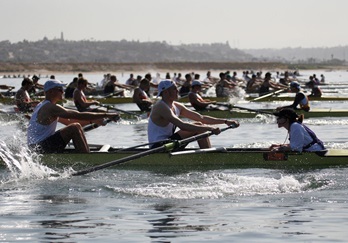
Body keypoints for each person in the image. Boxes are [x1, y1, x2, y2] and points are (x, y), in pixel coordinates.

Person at [27, 79, 119, 153]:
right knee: (74, 127)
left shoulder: (45, 105)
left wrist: (93, 121)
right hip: (38, 149)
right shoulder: (49, 107)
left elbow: (69, 122)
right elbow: (77, 115)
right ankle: (87, 158)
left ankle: (86, 153)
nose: (63, 91)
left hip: (37, 147)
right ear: (50, 91)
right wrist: (107, 115)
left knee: (76, 125)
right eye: (60, 89)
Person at [148, 80, 239, 149]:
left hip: (169, 143)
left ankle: (207, 153)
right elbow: (182, 126)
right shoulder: (160, 107)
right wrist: (210, 128)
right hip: (158, 147)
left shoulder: (177, 106)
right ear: (166, 92)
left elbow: (201, 118)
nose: (177, 91)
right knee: (200, 127)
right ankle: (208, 157)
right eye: (175, 89)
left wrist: (226, 121)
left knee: (199, 124)